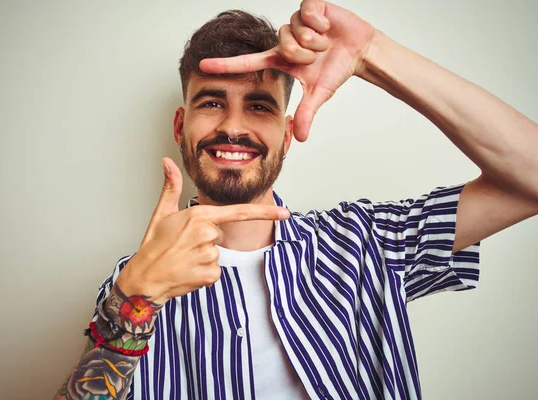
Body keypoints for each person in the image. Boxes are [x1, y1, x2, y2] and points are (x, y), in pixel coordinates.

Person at [54, 1, 538, 399]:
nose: (233, 127)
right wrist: (130, 301)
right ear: (181, 127)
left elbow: (529, 178)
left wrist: (372, 53)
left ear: (287, 135)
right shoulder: (135, 280)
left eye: (259, 106)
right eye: (212, 101)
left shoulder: (361, 241)